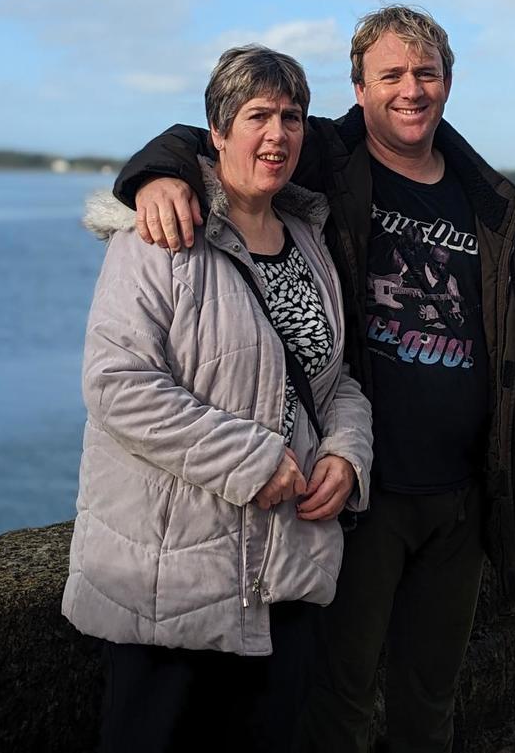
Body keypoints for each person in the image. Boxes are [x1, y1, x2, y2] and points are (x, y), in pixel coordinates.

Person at [114, 6, 515, 753]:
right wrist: (156, 174)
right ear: (358, 88)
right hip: (358, 497)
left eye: (425, 73)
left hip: (459, 499)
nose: (411, 90)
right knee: (337, 701)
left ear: (448, 83)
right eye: (391, 74)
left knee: (432, 698)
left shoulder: (501, 208)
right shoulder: (326, 159)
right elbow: (217, 139)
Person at [63, 45, 373, 753]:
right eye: (258, 115)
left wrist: (347, 455)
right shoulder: (160, 232)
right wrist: (256, 459)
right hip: (172, 580)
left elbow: (338, 378)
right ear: (218, 131)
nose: (278, 134)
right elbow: (118, 382)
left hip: (286, 571)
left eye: (291, 116)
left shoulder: (308, 237)